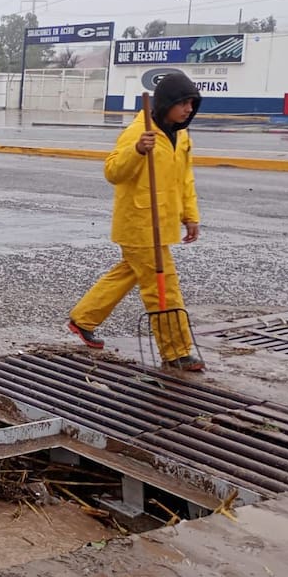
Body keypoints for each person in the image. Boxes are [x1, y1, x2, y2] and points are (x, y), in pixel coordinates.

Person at [67, 72, 204, 371]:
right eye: (183, 103)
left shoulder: (181, 137)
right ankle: (176, 352)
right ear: (167, 103)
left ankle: (82, 318)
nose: (188, 109)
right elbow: (113, 171)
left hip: (162, 225)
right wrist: (138, 151)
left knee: (127, 273)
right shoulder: (138, 132)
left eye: (192, 104)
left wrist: (190, 216)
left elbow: (185, 180)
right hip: (139, 225)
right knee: (163, 289)